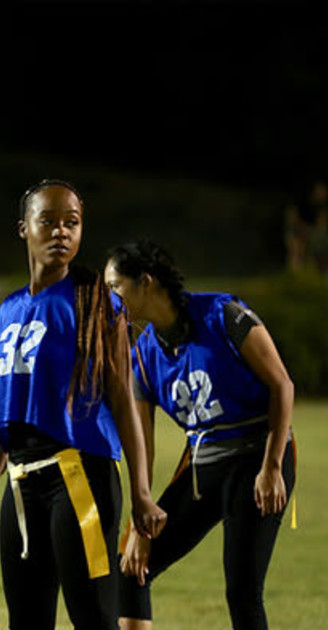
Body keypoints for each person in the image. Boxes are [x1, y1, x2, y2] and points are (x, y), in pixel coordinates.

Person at [0, 179, 166, 630]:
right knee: (26, 620)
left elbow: (123, 400)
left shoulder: (96, 303)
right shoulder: (7, 311)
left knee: (93, 617)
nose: (61, 232)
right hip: (20, 484)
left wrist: (142, 491)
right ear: (23, 228)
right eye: (47, 221)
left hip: (79, 477)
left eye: (71, 222)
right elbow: (1, 420)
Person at [105, 240, 295, 630]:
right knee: (130, 566)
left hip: (257, 459)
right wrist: (141, 522)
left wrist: (273, 466)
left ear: (145, 282)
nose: (110, 300)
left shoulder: (222, 314)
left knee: (242, 591)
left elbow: (282, 385)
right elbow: (143, 448)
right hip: (202, 468)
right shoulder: (141, 354)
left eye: (115, 287)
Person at [283, 178, 328, 275]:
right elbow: (293, 222)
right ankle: (296, 274)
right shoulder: (300, 203)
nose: (322, 194)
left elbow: (322, 224)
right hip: (301, 234)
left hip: (315, 235)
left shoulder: (322, 206)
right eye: (319, 191)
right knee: (297, 244)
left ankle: (322, 273)